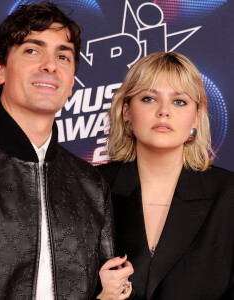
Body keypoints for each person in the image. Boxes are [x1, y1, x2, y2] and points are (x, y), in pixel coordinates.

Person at [0, 3, 117, 299]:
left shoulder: (92, 185)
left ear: (71, 83)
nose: (50, 65)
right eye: (32, 50)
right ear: (0, 69)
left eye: (63, 56)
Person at [97, 52, 234, 299]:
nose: (163, 111)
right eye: (149, 98)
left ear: (196, 116)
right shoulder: (90, 188)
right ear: (127, 112)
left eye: (179, 101)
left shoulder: (229, 193)